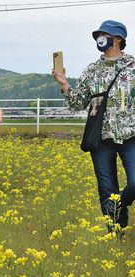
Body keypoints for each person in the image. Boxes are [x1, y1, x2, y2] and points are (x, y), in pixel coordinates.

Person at [53, 20, 135, 230]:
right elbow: (78, 103)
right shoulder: (92, 70)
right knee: (107, 188)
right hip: (101, 137)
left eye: (105, 34)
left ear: (117, 39)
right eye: (99, 34)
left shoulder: (133, 67)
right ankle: (114, 232)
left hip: (131, 135)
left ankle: (120, 205)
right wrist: (64, 85)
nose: (101, 38)